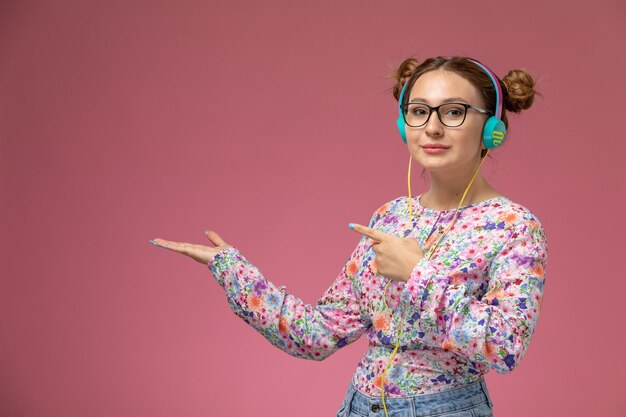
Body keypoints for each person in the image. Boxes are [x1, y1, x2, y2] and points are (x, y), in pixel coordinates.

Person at [150, 55, 547, 417]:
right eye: (419, 111)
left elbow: (505, 346)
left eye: (454, 112)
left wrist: (418, 274)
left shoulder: (513, 225)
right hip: (359, 408)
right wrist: (233, 271)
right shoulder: (390, 216)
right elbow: (319, 335)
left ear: (493, 127)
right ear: (402, 124)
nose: (432, 127)